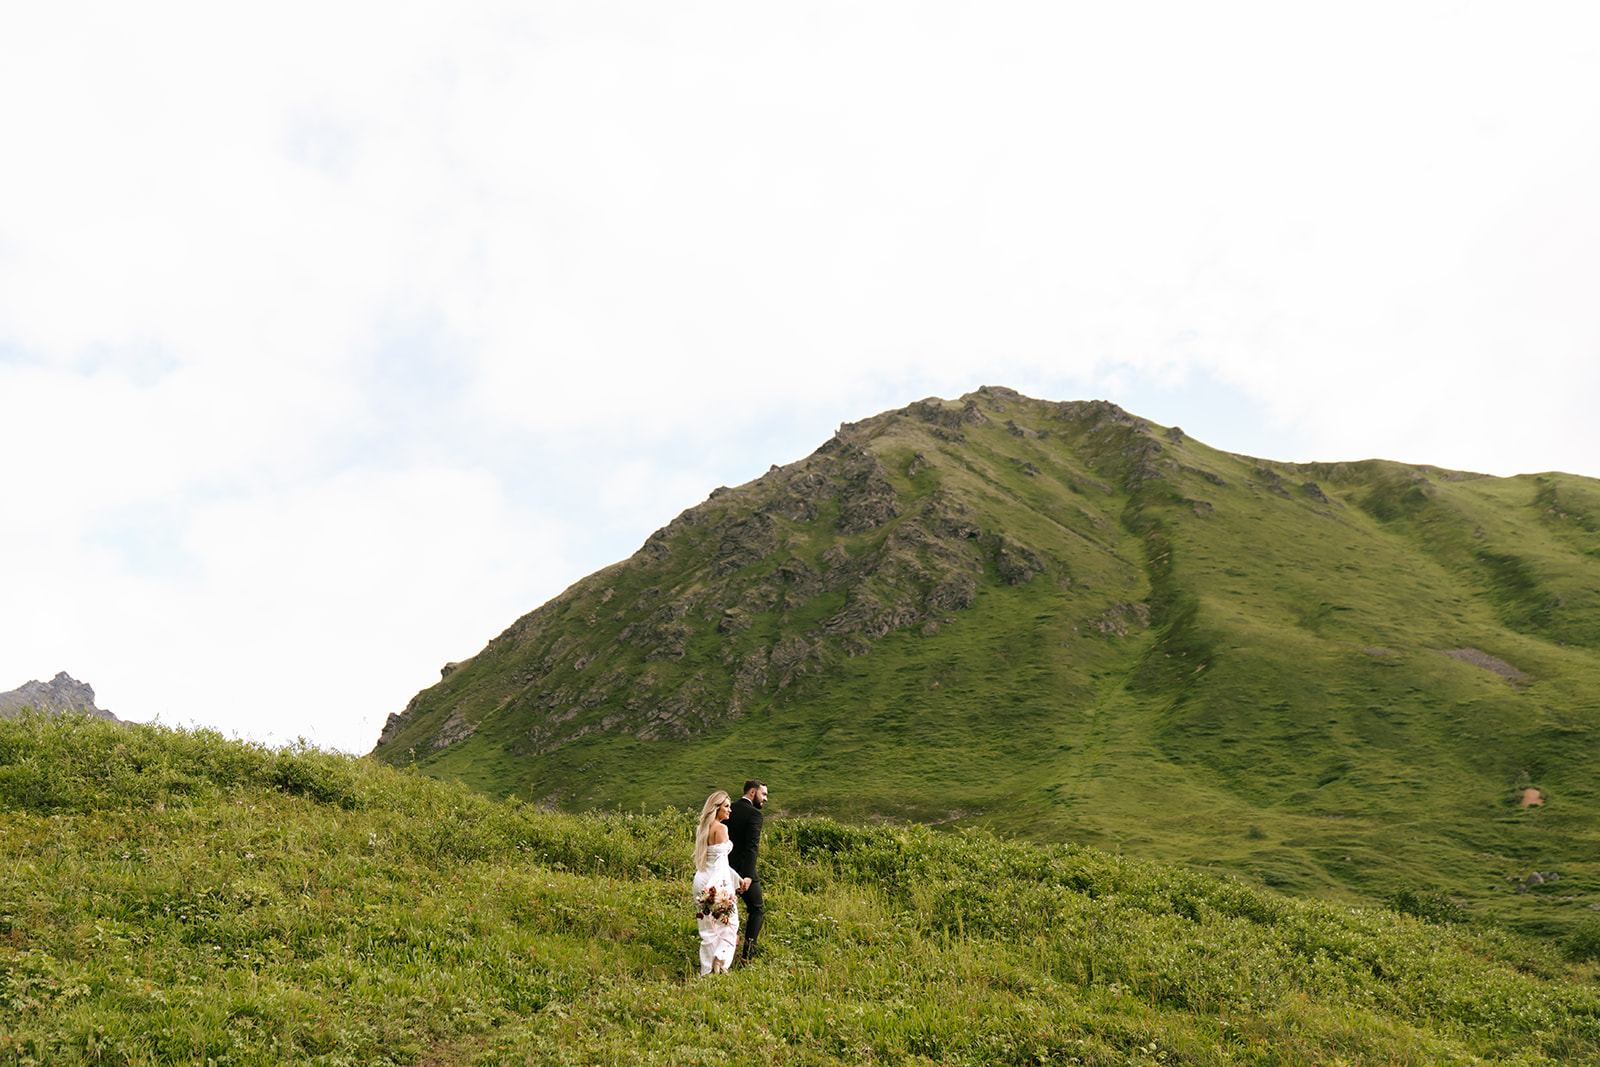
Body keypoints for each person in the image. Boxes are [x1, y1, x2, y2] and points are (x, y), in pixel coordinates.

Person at [692, 790, 746, 975]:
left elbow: (713, 860)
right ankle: (720, 961)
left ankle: (707, 969)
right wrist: (722, 892)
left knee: (707, 927)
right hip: (716, 882)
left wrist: (736, 878)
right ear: (716, 808)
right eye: (726, 806)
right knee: (730, 922)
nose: (730, 810)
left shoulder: (703, 828)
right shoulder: (721, 829)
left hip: (701, 879)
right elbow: (721, 865)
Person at [726, 779, 768, 963]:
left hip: (723, 869)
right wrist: (748, 875)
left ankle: (723, 951)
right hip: (742, 870)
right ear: (752, 792)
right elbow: (752, 847)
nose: (765, 799)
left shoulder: (728, 809)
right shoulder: (754, 815)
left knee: (723, 909)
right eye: (763, 794)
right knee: (757, 909)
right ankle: (747, 955)